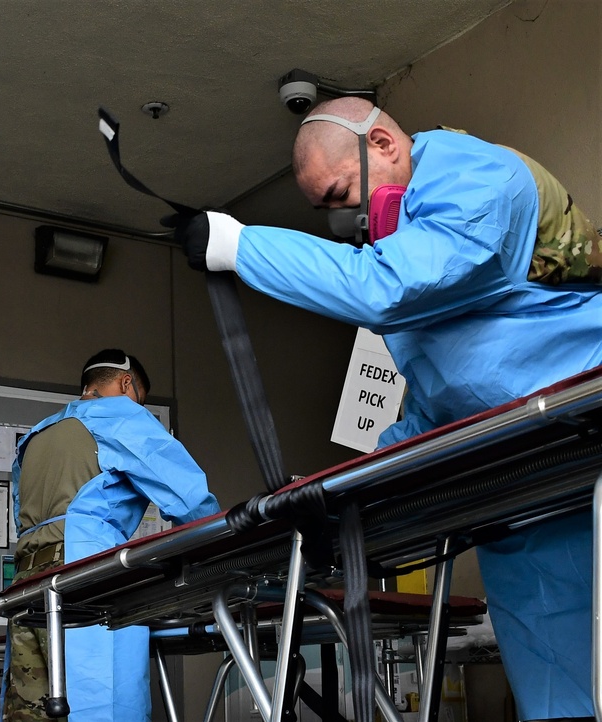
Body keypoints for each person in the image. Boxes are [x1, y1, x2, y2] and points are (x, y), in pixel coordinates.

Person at [170, 96, 602, 721]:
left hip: (582, 425)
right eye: (324, 211)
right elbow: (436, 403)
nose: (342, 221)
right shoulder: (418, 275)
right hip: (521, 488)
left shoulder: (478, 179)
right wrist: (341, 489)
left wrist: (240, 246)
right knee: (558, 691)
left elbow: (383, 290)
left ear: (383, 146)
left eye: (341, 195)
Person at [2, 349, 221, 722]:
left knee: (32, 712)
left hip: (27, 582)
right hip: (83, 578)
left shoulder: (37, 435)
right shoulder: (120, 415)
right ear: (125, 383)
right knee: (101, 701)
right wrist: (223, 546)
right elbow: (187, 497)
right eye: (140, 398)